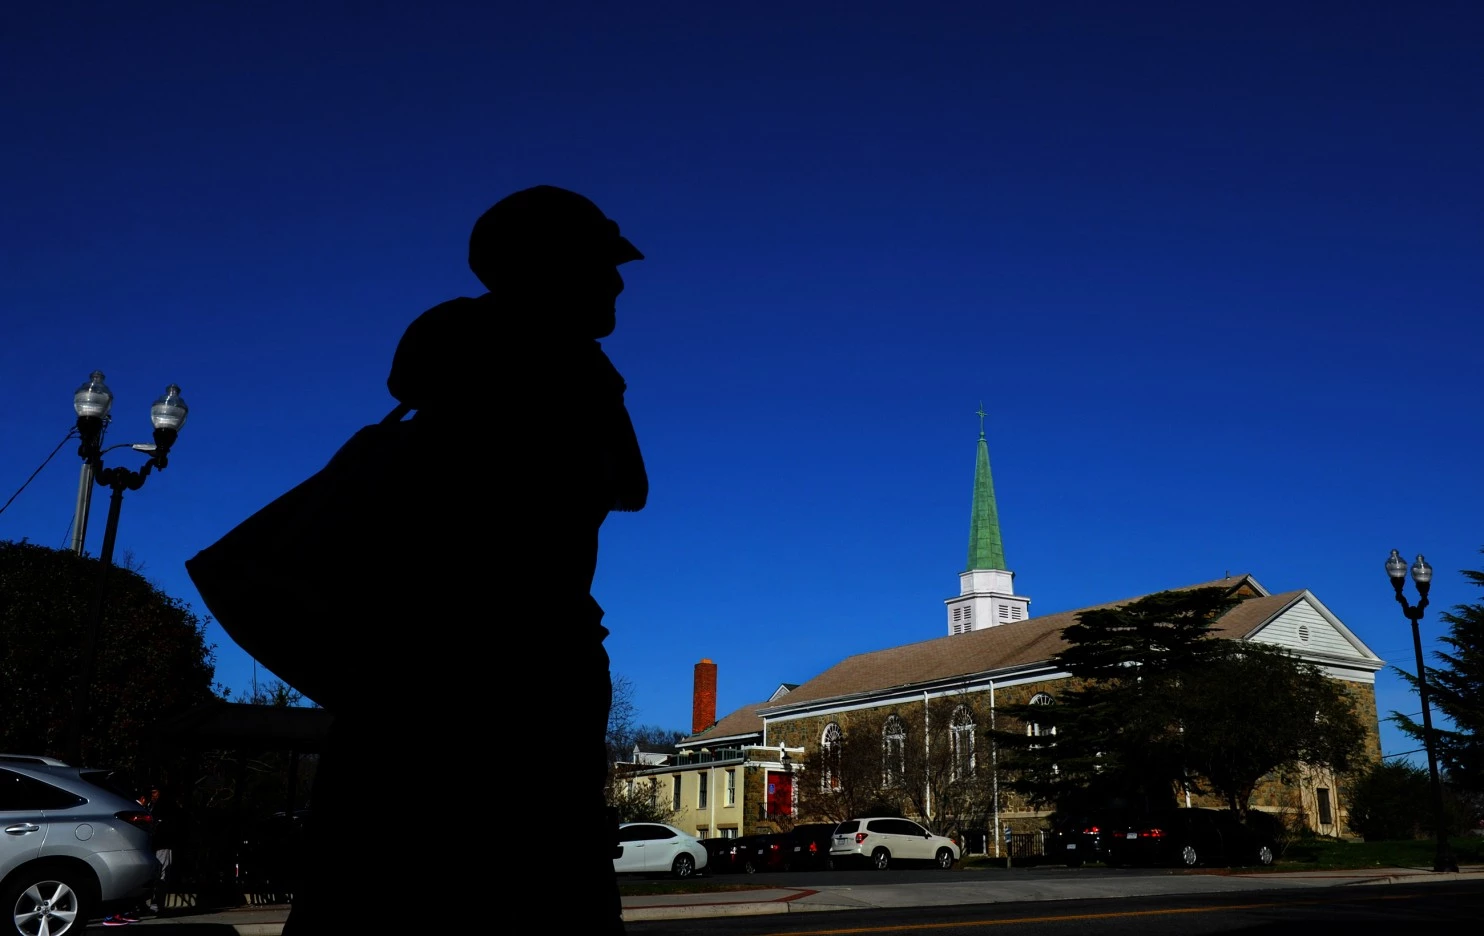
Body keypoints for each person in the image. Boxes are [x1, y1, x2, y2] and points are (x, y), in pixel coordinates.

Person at [280, 186, 648, 935]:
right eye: (602, 265)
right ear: (552, 270)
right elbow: (629, 484)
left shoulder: (445, 349)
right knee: (544, 884)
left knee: (364, 881)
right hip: (529, 664)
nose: (617, 282)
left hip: (398, 671)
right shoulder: (570, 367)